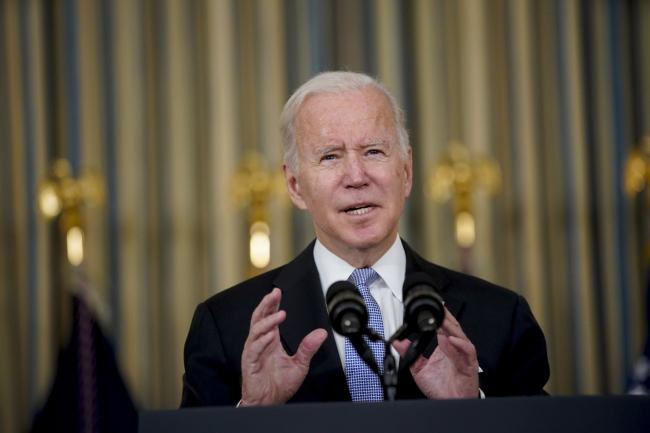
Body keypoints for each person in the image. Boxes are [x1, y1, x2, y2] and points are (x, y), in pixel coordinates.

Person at [180, 71, 549, 407]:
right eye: (329, 157)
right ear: (295, 186)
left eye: (373, 151)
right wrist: (252, 417)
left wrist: (473, 411)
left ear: (405, 172)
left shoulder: (501, 317)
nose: (356, 176)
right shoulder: (227, 327)